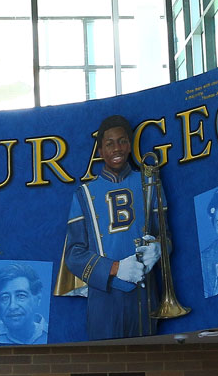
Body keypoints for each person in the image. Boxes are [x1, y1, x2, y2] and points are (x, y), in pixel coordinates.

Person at [63, 115, 160, 340]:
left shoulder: (150, 182)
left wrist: (159, 248)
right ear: (99, 151)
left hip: (145, 294)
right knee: (106, 363)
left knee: (148, 360)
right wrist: (115, 268)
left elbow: (166, 237)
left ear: (130, 144)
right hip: (104, 298)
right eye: (109, 143)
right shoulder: (83, 194)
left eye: (122, 141)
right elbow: (73, 256)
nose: (117, 148)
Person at [0, 263, 48, 345]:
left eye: (21, 296)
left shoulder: (55, 334)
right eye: (4, 298)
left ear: (37, 299)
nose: (12, 306)